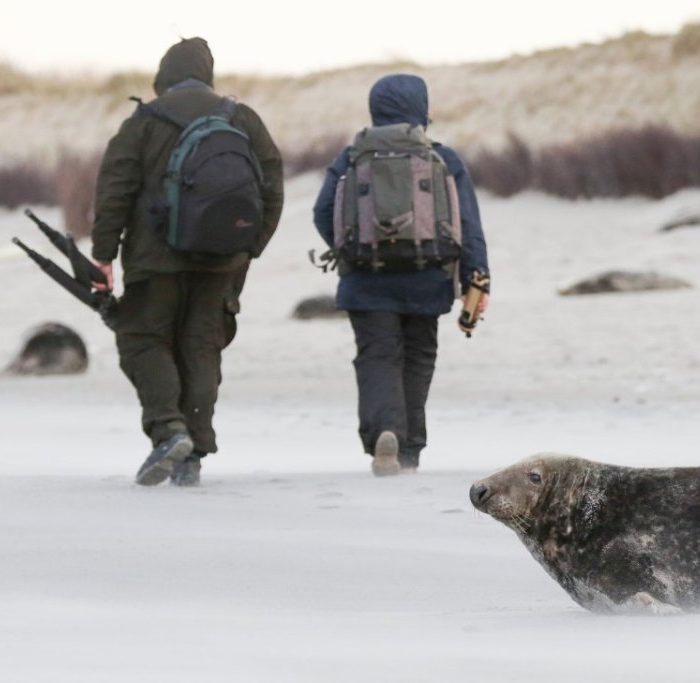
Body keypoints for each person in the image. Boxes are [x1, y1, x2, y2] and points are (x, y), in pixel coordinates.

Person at [91, 37, 284, 486]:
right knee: (202, 348)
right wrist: (248, 247)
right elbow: (272, 187)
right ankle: (192, 453)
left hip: (152, 261)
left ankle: (168, 430)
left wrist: (103, 255)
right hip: (222, 261)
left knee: (143, 339)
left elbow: (114, 191)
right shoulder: (241, 118)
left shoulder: (143, 122)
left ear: (165, 76)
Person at [313, 74, 489, 476]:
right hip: (428, 278)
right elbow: (467, 224)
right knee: (418, 358)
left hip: (365, 280)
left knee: (377, 357)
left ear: (374, 108)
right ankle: (408, 449)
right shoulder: (443, 158)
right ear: (421, 109)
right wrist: (476, 278)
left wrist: (351, 250)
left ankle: (384, 433)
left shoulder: (351, 157)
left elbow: (323, 211)